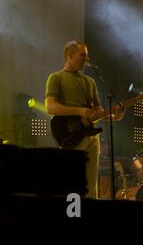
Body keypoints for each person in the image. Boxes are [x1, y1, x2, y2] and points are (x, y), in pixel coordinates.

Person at [45, 41, 125, 199]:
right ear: (70, 55)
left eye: (87, 55)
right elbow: (50, 107)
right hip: (72, 136)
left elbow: (97, 111)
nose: (86, 58)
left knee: (90, 186)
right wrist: (78, 110)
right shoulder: (56, 78)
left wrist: (114, 116)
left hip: (92, 137)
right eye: (83, 55)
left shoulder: (90, 82)